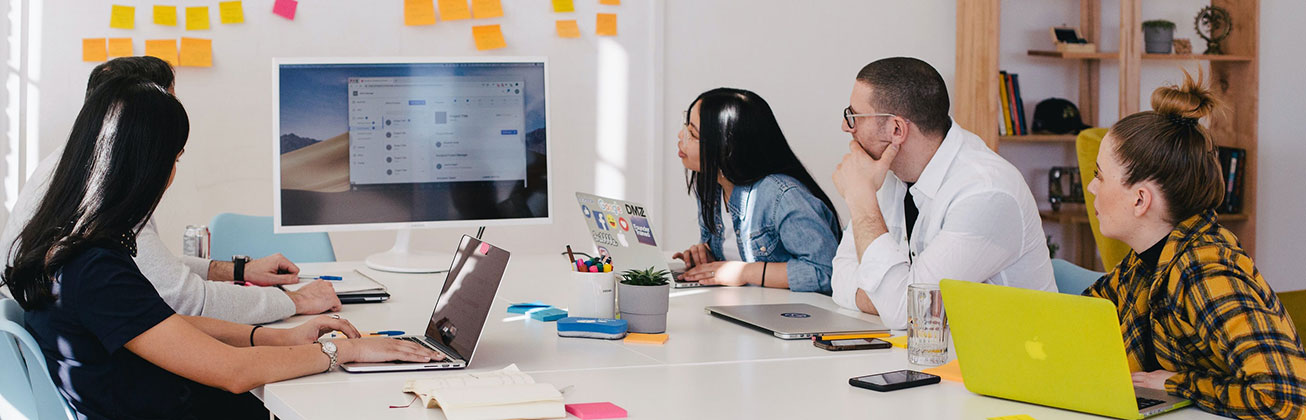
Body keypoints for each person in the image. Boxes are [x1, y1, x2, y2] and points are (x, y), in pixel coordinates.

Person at [1, 76, 443, 420]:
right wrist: (345, 351)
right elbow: (234, 374)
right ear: (145, 167)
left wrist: (278, 337)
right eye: (174, 159)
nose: (172, 175)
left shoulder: (67, 247)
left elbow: (167, 327)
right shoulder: (94, 269)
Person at [0, 57, 340, 324]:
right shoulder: (103, 191)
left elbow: (145, 268)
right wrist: (294, 302)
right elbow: (186, 301)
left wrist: (239, 271)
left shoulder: (70, 167)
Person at [1083, 70, 1306, 419]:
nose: (1092, 187)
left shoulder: (1204, 272)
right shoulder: (1146, 260)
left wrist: (1180, 384)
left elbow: (1287, 398)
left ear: (1140, 200)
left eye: (1099, 175)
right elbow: (1089, 316)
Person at [829, 57, 1055, 329]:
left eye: (854, 116)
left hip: (1012, 365)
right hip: (937, 357)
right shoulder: (885, 172)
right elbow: (840, 277)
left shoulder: (987, 192)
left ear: (896, 129)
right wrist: (892, 300)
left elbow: (909, 313)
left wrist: (862, 202)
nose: (845, 127)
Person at [671, 88, 842, 294]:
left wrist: (745, 272)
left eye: (692, 133)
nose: (681, 136)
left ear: (726, 147)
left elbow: (826, 272)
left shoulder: (781, 195)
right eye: (686, 126)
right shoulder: (711, 187)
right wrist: (708, 257)